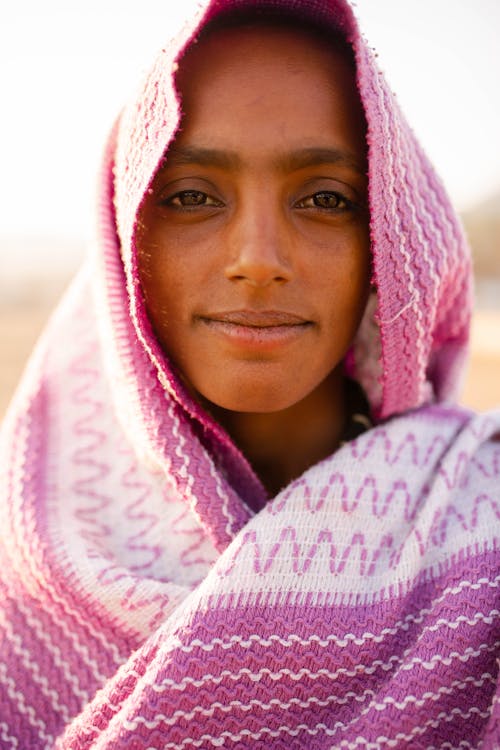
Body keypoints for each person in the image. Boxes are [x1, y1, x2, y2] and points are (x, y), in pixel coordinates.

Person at [0, 0, 498, 748]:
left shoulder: (481, 522)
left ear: (385, 250)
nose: (259, 259)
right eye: (193, 197)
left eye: (326, 199)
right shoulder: (24, 555)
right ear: (126, 239)